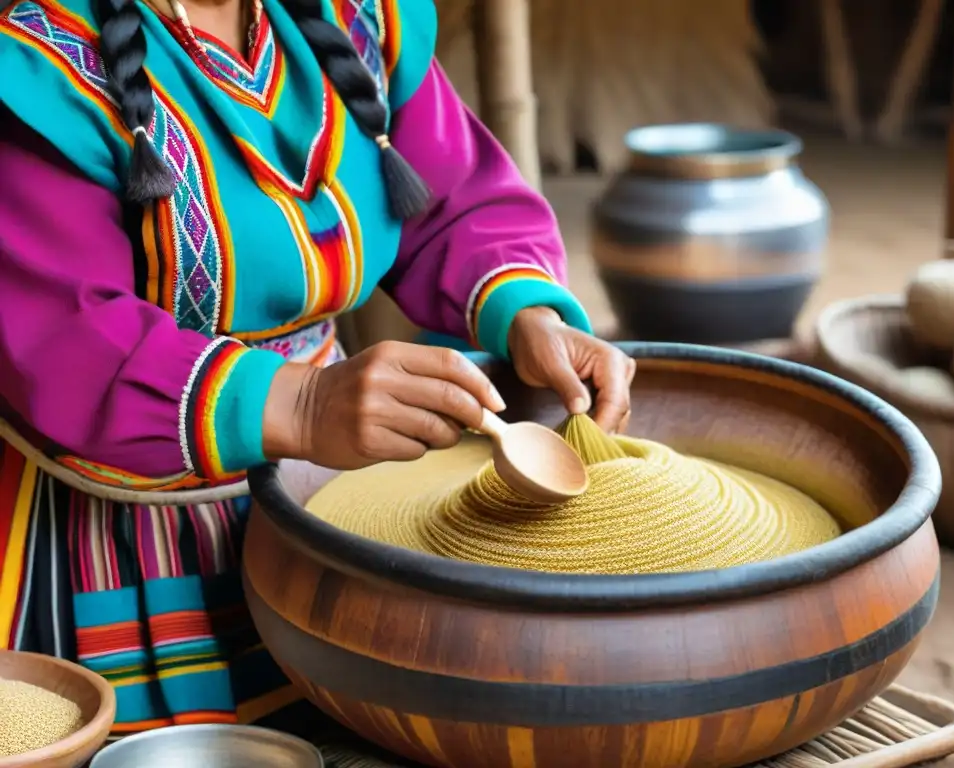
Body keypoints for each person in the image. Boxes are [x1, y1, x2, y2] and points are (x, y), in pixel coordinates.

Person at [0, 0, 636, 736]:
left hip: (327, 495)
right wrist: (304, 408)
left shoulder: (357, 18)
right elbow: (66, 339)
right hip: (113, 537)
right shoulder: (41, 68)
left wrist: (528, 313)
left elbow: (449, 202)